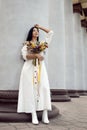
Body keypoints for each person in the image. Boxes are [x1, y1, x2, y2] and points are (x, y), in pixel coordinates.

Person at [17, 24, 54, 125]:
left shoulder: (42, 43)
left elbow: (51, 33)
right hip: (29, 69)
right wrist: (36, 55)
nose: (36, 32)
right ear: (31, 33)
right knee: (31, 90)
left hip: (40, 68)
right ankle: (33, 114)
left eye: (37, 31)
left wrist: (40, 26)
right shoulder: (27, 44)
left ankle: (45, 113)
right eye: (34, 30)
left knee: (44, 88)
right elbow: (25, 56)